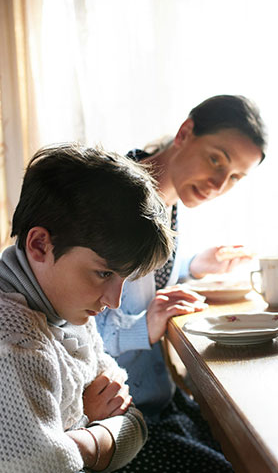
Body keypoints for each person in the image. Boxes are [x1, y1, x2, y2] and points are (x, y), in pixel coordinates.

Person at [96, 95, 267, 471]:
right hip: (113, 421)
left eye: (235, 176)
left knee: (250, 447)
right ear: (185, 132)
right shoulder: (114, 200)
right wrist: (145, 328)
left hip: (160, 401)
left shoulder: (165, 198)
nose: (220, 183)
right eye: (216, 159)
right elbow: (71, 326)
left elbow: (138, 279)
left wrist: (193, 265)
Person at [0, 144, 174, 472]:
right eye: (104, 273)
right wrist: (87, 426)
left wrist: (76, 439)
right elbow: (48, 465)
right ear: (40, 245)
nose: (114, 301)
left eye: (123, 279)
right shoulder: (15, 344)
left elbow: (132, 418)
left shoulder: (65, 308)